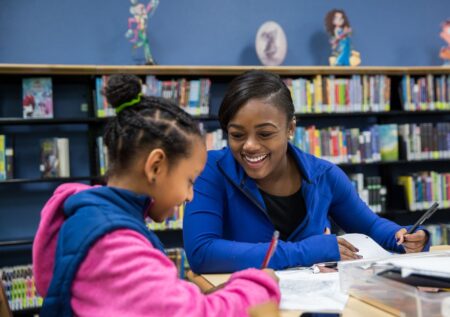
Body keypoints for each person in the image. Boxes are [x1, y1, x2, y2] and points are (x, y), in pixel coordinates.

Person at [32, 74, 280, 316]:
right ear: (156, 167)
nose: (190, 196)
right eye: (189, 180)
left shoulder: (91, 217)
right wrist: (258, 287)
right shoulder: (113, 246)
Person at [183, 70, 430, 274]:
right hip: (246, 307)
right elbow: (202, 253)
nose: (249, 145)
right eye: (237, 135)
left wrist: (404, 236)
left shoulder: (324, 175)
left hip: (314, 305)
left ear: (290, 128)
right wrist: (306, 251)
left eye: (265, 134)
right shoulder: (211, 171)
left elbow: (371, 226)